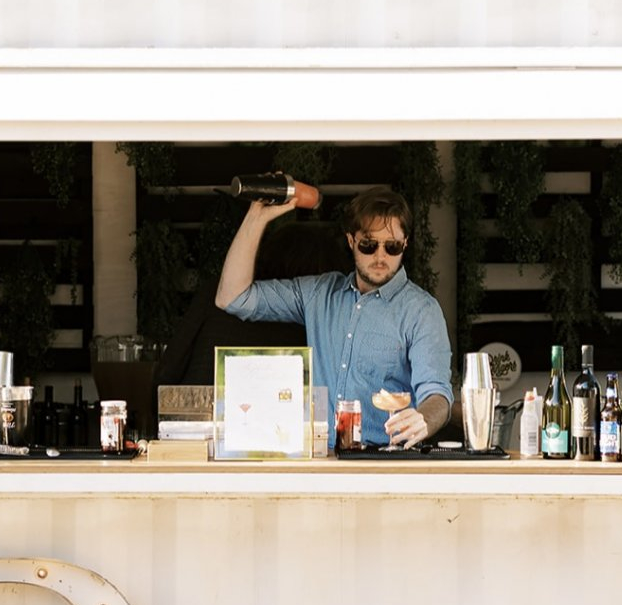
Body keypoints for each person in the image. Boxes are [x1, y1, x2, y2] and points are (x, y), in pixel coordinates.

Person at [215, 185, 452, 448]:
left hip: (386, 458)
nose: (380, 256)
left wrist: (423, 419)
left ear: (405, 244)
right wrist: (256, 217)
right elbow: (232, 297)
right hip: (322, 457)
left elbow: (437, 394)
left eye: (392, 246)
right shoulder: (320, 294)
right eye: (369, 244)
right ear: (351, 241)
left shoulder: (421, 310)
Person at [158, 221, 349, 387]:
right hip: (288, 415)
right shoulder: (322, 315)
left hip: (198, 408)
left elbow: (172, 363)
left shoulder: (219, 294)